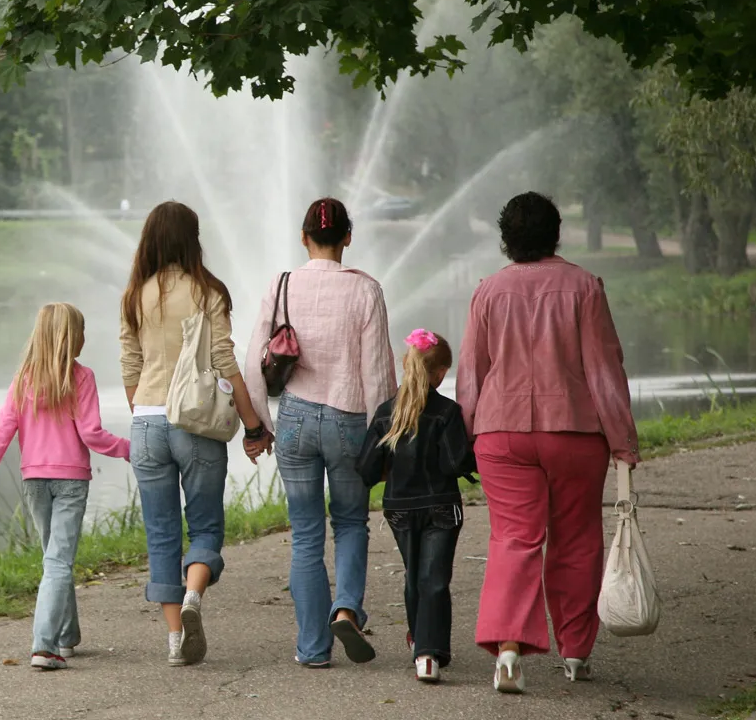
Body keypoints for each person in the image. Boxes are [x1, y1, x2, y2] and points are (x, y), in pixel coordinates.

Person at [457, 192, 639, 694]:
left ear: (505, 238)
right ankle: (576, 651)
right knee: (577, 539)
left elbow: (471, 373)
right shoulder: (584, 287)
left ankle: (509, 650)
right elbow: (604, 371)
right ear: (556, 233)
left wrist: (466, 433)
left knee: (513, 539)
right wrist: (623, 440)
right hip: (575, 432)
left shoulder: (487, 292)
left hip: (501, 432)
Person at [244, 197, 397, 668]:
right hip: (350, 420)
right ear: (348, 237)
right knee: (351, 521)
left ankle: (312, 648)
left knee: (307, 532)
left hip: (294, 419)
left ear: (304, 237)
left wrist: (262, 426)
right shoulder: (366, 290)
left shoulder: (282, 283)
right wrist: (384, 435)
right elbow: (378, 374)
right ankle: (347, 609)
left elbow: (254, 363)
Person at [120, 200, 269, 666]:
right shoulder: (207, 291)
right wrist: (253, 426)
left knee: (161, 533)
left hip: (146, 421)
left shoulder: (134, 294)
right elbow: (225, 364)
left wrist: (147, 413)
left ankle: (173, 641)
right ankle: (193, 599)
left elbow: (129, 366)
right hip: (197, 423)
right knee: (204, 526)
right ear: (193, 238)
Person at [0, 302, 130, 670]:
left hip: (35, 481)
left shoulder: (24, 378)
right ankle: (44, 647)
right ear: (71, 338)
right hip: (71, 482)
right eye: (82, 332)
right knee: (58, 561)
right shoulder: (82, 377)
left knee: (54, 560)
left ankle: (66, 636)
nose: (86, 339)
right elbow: (91, 434)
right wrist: (129, 449)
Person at [356, 329, 475, 684]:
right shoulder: (448, 412)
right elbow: (456, 464)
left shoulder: (386, 412)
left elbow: (365, 469)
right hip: (441, 504)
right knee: (434, 578)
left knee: (414, 577)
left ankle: (418, 642)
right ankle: (428, 652)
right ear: (440, 373)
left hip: (399, 507)